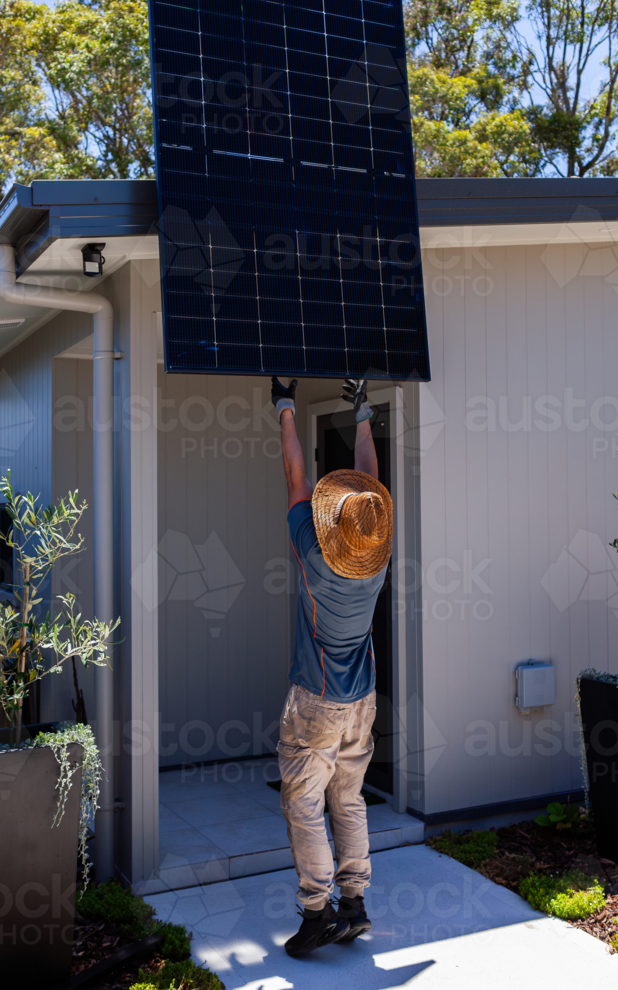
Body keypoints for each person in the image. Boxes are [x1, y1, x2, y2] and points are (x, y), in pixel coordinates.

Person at [271, 375, 393, 959]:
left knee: (303, 802)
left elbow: (297, 477)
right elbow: (371, 485)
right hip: (363, 701)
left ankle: (317, 912)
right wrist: (363, 409)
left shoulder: (313, 553)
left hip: (315, 701)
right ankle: (355, 905)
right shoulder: (379, 557)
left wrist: (286, 406)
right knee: (348, 799)